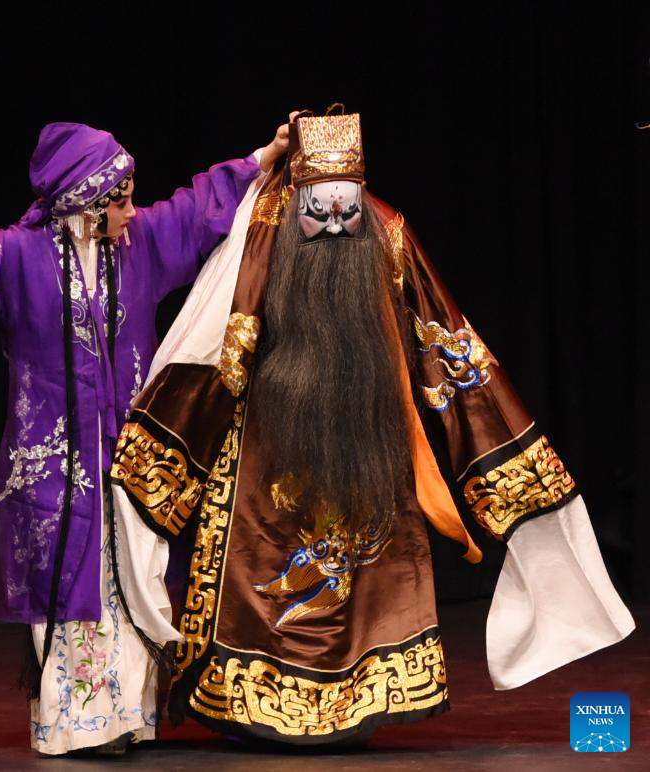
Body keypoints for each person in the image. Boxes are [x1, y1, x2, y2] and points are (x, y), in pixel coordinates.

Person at [108, 108, 635, 747]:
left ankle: (357, 701)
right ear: (297, 188)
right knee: (266, 567)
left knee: (362, 572)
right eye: (320, 208)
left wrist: (513, 469)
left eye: (345, 208)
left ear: (361, 193)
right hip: (264, 447)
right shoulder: (264, 229)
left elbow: (448, 347)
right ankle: (251, 702)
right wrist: (164, 447)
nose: (333, 222)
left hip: (368, 440)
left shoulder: (388, 235)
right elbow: (226, 341)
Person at [0, 121, 289, 755]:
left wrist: (264, 155)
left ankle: (130, 717)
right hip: (54, 468)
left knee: (131, 577)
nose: (131, 211)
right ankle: (78, 724)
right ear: (84, 204)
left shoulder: (139, 247)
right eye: (119, 200)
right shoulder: (23, 257)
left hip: (128, 457)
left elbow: (196, 208)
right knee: (68, 585)